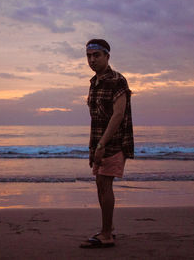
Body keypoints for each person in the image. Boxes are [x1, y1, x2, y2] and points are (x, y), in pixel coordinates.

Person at [80, 39, 134, 248]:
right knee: (100, 185)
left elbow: (118, 115)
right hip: (98, 142)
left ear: (107, 56)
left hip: (112, 143)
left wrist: (102, 146)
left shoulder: (117, 80)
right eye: (89, 56)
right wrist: (96, 146)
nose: (92, 60)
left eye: (96, 55)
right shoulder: (94, 82)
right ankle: (107, 229)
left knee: (105, 185)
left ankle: (106, 234)